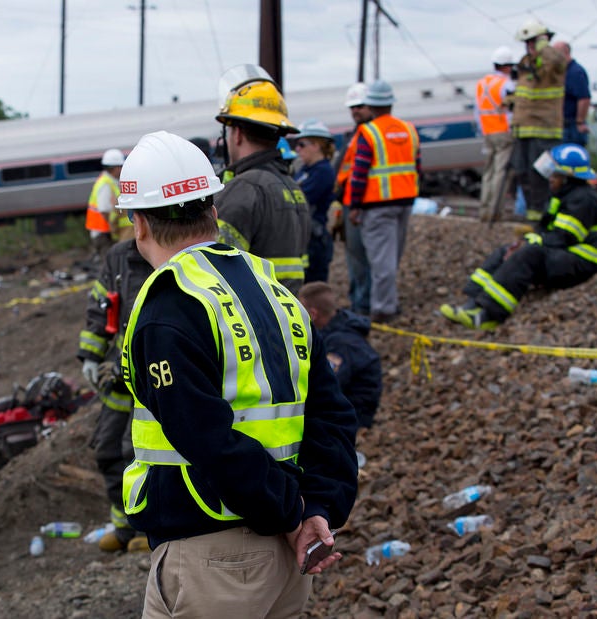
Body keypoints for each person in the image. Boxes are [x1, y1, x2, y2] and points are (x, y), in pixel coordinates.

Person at [115, 131, 358, 618]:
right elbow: (331, 416)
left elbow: (208, 442)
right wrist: (316, 510)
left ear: (139, 223)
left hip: (214, 559)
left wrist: (293, 514)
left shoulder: (169, 306)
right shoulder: (272, 288)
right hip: (286, 555)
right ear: (213, 208)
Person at [440, 143, 597, 330]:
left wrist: (531, 243)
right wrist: (523, 242)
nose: (550, 180)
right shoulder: (565, 195)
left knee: (529, 255)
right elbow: (546, 229)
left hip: (588, 259)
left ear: (567, 177)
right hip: (570, 253)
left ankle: (489, 315)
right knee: (506, 251)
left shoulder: (583, 199)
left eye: (555, 175)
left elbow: (564, 238)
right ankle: (472, 304)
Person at [76, 237, 154, 553]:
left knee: (137, 454)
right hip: (121, 377)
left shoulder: (173, 253)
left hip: (154, 380)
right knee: (108, 449)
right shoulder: (119, 257)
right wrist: (91, 355)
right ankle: (124, 528)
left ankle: (148, 528)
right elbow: (101, 306)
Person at [214, 64, 312, 295]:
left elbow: (213, 268)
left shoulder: (244, 189)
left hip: (248, 319)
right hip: (286, 316)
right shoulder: (293, 189)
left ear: (236, 133)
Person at [346, 80, 420, 324]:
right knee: (393, 256)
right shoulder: (408, 129)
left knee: (381, 261)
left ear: (371, 105)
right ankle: (389, 302)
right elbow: (417, 165)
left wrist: (354, 206)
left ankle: (382, 309)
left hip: (377, 204)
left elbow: (359, 173)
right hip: (406, 201)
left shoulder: (369, 133)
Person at [297, 282, 382, 429]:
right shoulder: (335, 328)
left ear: (313, 314)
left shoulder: (340, 344)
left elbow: (328, 383)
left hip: (353, 415)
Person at [511, 18, 567, 221]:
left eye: (533, 42)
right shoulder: (526, 66)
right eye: (528, 43)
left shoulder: (552, 65)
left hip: (545, 131)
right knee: (523, 174)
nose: (530, 47)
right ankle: (533, 217)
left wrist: (545, 46)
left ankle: (546, 218)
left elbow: (557, 61)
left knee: (541, 176)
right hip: (523, 131)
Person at [335, 82, 374, 315]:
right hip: (351, 202)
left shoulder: (368, 135)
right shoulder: (355, 135)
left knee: (361, 257)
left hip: (362, 204)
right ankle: (359, 300)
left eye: (360, 106)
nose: (356, 111)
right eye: (353, 107)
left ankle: (363, 304)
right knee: (355, 256)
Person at [476, 46, 517, 222]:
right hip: (503, 132)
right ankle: (495, 212)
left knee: (488, 172)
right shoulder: (507, 84)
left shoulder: (482, 84)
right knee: (501, 172)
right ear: (507, 66)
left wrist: (483, 130)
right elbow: (511, 111)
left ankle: (484, 209)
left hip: (487, 132)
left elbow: (477, 112)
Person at [293, 119, 337, 284]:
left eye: (302, 144)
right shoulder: (306, 170)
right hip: (306, 237)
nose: (297, 149)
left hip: (315, 239)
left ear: (316, 145)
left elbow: (300, 199)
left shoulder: (323, 172)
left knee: (313, 283)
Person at [85, 149, 126, 257]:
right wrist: (115, 229)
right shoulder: (105, 184)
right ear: (114, 168)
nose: (122, 169)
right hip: (104, 233)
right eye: (120, 166)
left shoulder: (110, 181)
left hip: (106, 232)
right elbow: (104, 210)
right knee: (110, 267)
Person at [552, 41, 591, 146]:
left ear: (564, 53)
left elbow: (584, 98)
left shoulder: (575, 72)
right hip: (560, 125)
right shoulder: (561, 72)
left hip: (571, 126)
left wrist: (580, 121)